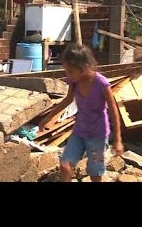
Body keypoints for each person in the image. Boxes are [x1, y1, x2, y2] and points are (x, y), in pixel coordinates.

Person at [38, 43, 124, 182]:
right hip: (79, 131)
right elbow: (67, 101)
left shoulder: (101, 83)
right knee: (65, 164)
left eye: (71, 71)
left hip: (98, 134)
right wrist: (47, 118)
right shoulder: (74, 82)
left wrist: (118, 140)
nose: (68, 75)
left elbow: (113, 110)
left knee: (95, 172)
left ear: (84, 67)